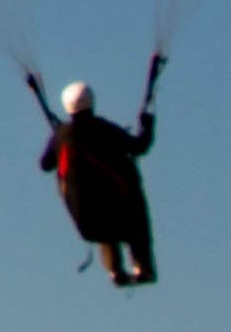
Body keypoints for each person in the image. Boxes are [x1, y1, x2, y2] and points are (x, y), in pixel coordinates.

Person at [30, 60, 159, 286]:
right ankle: (143, 266)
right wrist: (148, 125)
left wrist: (58, 137)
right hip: (122, 213)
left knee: (103, 214)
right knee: (126, 210)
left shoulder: (61, 136)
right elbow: (139, 147)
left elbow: (44, 164)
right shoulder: (104, 129)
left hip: (88, 221)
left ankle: (115, 271)